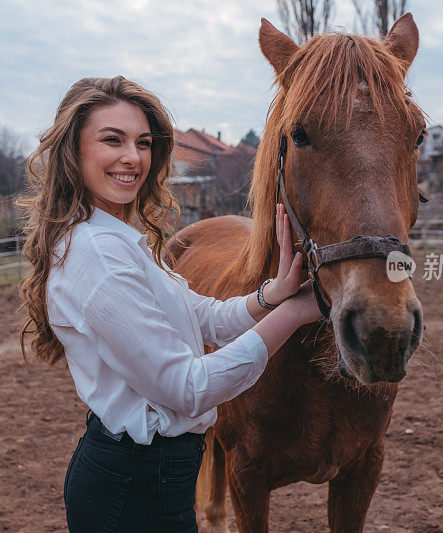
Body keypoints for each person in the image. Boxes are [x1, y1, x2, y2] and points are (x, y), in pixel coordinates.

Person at [18, 76, 321, 532]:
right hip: (133, 487)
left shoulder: (120, 240)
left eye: (143, 142)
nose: (133, 157)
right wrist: (295, 313)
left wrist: (271, 296)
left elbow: (201, 319)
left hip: (152, 478)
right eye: (112, 140)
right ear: (73, 151)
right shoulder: (98, 254)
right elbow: (187, 387)